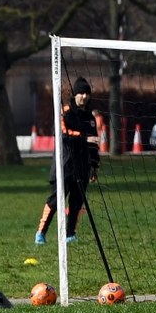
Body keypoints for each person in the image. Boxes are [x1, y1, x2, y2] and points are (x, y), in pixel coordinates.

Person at [35, 77, 100, 245]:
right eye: (81, 93)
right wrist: (83, 137)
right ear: (75, 94)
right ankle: (41, 233)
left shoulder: (90, 118)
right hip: (64, 166)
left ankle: (70, 234)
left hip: (82, 167)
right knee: (56, 201)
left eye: (87, 93)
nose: (84, 96)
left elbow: (94, 143)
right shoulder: (65, 113)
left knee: (77, 201)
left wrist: (94, 165)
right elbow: (63, 135)